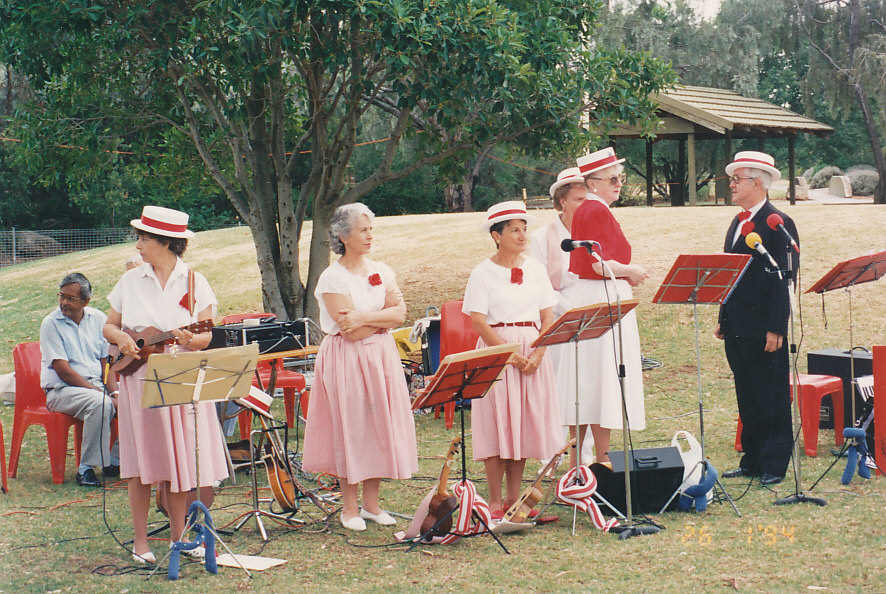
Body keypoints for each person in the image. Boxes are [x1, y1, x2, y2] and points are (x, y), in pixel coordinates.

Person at [103, 206, 227, 564]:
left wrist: (192, 340)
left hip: (180, 377)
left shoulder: (195, 281)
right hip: (139, 376)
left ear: (166, 242)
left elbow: (207, 334)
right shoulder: (130, 280)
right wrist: (123, 340)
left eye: (144, 238)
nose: (138, 244)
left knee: (181, 461)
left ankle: (179, 538)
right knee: (140, 462)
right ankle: (140, 542)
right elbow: (109, 326)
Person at [302, 203, 418, 531]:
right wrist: (379, 321)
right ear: (343, 235)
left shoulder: (381, 269)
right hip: (346, 358)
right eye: (363, 230)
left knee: (378, 423)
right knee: (350, 425)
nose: (369, 236)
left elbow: (399, 314)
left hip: (381, 356)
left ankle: (372, 505)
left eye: (371, 229)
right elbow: (349, 331)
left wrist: (367, 319)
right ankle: (349, 508)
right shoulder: (331, 278)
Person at [463, 200, 564, 519]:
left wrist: (538, 352)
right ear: (496, 235)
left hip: (532, 345)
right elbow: (477, 320)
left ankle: (513, 499)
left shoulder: (534, 268)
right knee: (496, 422)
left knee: (520, 422)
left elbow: (548, 315)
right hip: (496, 350)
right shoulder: (482, 272)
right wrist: (507, 354)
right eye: (514, 230)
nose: (522, 236)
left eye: (524, 230)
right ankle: (493, 501)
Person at [715, 151, 797, 486]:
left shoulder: (778, 223)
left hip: (765, 325)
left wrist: (777, 327)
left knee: (771, 393)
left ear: (758, 183)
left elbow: (783, 279)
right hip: (738, 324)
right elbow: (728, 274)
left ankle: (775, 462)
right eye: (732, 179)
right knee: (746, 391)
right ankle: (752, 457)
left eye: (738, 179)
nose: (731, 185)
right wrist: (724, 316)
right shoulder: (737, 223)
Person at [565, 147, 649, 465]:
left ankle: (589, 462)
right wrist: (632, 271)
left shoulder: (591, 209)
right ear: (593, 183)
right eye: (612, 178)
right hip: (600, 296)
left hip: (595, 295)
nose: (619, 183)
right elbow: (599, 265)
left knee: (592, 381)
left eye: (620, 177)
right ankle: (601, 461)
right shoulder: (595, 210)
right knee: (602, 379)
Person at [529, 167, 592, 468]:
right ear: (562, 201)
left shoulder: (593, 234)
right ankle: (549, 456)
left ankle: (585, 455)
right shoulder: (542, 237)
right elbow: (539, 284)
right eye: (579, 199)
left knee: (586, 386)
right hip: (555, 319)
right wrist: (567, 309)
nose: (585, 204)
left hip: (590, 320)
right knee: (554, 389)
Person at [40, 273, 119, 487]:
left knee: (133, 399)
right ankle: (86, 469)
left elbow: (107, 364)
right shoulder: (50, 324)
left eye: (70, 298)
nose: (64, 302)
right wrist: (100, 393)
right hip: (61, 390)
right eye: (61, 296)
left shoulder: (98, 319)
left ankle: (115, 460)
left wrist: (115, 393)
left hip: (94, 387)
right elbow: (63, 371)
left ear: (86, 301)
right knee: (100, 403)